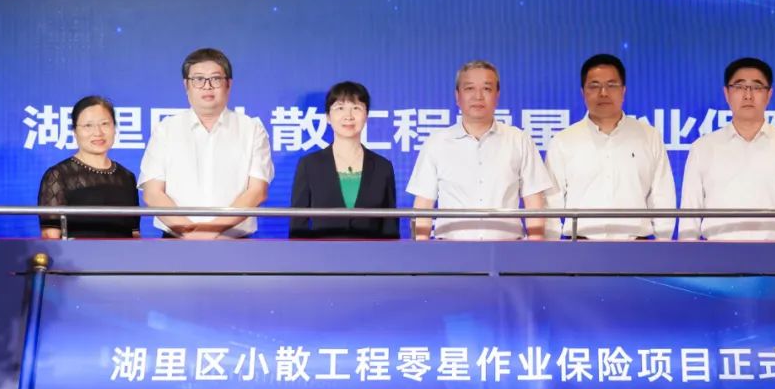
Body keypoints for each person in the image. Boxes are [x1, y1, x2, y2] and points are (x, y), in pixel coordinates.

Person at [678, 57, 775, 241]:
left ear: (769, 94)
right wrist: (689, 255)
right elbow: (689, 215)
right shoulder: (703, 147)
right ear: (727, 93)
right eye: (739, 87)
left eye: (756, 87)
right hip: (718, 253)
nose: (748, 95)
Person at [407, 60, 551, 240]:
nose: (478, 96)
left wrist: (535, 248)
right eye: (469, 88)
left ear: (497, 95)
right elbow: (423, 204)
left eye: (486, 89)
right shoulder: (436, 143)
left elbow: (533, 200)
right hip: (449, 250)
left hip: (508, 249)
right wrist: (421, 249)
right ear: (457, 96)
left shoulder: (519, 140)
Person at [138, 48, 273, 239]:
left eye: (215, 79)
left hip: (235, 243)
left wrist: (208, 232)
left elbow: (257, 191)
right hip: (177, 241)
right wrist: (190, 232)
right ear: (186, 85)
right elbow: (153, 193)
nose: (207, 86)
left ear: (229, 84)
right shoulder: (165, 129)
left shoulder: (252, 130)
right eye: (198, 79)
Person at [544, 53, 676, 240]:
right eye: (594, 86)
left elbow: (663, 195)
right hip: (580, 247)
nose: (603, 93)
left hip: (638, 247)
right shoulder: (563, 141)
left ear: (623, 91)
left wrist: (663, 243)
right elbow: (551, 200)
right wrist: (551, 248)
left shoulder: (649, 136)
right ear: (583, 92)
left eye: (612, 85)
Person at [289, 81, 399, 239]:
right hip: (322, 252)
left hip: (371, 253)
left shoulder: (383, 167)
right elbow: (298, 224)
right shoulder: (309, 165)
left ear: (366, 116)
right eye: (340, 108)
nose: (348, 116)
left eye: (356, 108)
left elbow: (390, 226)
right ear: (328, 117)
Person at [38, 95, 140, 238]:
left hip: (123, 253)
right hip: (76, 253)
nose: (98, 132)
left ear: (114, 128)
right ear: (75, 131)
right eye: (88, 125)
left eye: (104, 124)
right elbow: (51, 238)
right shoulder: (58, 175)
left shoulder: (127, 177)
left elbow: (134, 233)